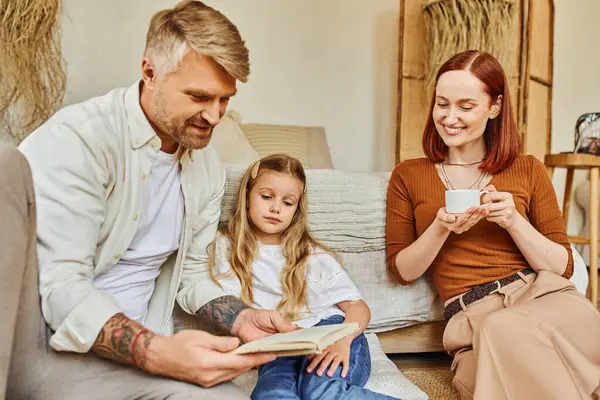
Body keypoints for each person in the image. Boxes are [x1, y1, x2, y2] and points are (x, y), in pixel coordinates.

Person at [9, 1, 297, 399]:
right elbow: (62, 287)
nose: (215, 116)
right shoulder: (80, 140)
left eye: (225, 99)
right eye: (200, 96)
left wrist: (242, 317)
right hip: (58, 354)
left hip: (144, 355)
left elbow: (192, 275)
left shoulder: (205, 165)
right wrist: (158, 353)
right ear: (149, 73)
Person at [385, 50, 600, 400]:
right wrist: (440, 228)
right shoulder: (408, 175)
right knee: (491, 357)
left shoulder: (527, 169)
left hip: (545, 298)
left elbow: (563, 267)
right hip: (473, 322)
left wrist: (514, 221)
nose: (449, 117)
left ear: (495, 107)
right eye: (442, 103)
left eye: (465, 106)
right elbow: (402, 271)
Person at [209, 154, 397, 400]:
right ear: (246, 197)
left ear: (297, 209)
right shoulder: (225, 246)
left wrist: (343, 339)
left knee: (321, 391)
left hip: (330, 332)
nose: (276, 208)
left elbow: (357, 307)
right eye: (266, 197)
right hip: (282, 346)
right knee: (271, 395)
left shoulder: (310, 254)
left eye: (288, 202)